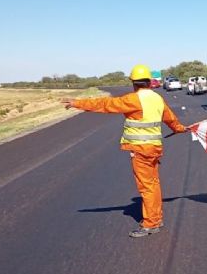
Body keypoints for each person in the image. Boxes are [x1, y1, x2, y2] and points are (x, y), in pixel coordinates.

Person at [62, 64, 187, 238]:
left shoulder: (134, 100)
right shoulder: (157, 98)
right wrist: (180, 128)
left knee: (147, 187)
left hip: (141, 150)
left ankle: (151, 224)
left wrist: (77, 103)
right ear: (150, 82)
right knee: (153, 184)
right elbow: (170, 119)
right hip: (155, 148)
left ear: (134, 83)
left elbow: (106, 104)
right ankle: (156, 218)